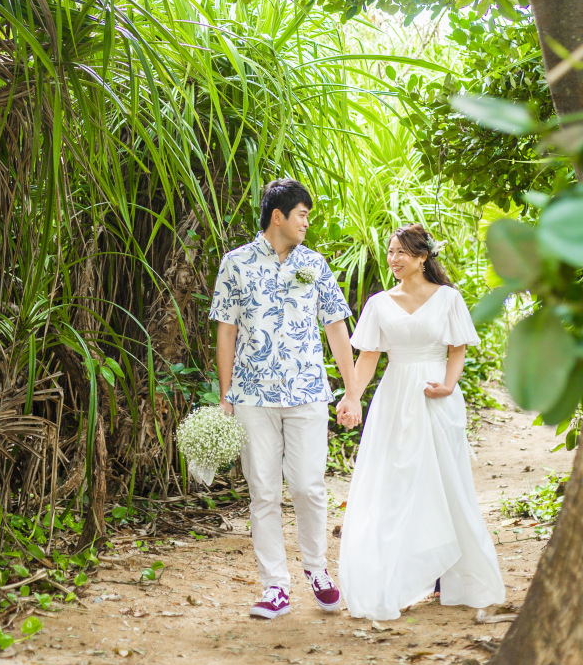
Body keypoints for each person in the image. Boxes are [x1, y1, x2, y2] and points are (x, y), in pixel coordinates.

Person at [209, 178, 362, 620]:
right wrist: (226, 395)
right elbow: (226, 329)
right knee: (263, 492)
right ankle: (275, 586)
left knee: (309, 486)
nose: (306, 224)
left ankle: (318, 571)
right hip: (252, 395)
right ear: (279, 216)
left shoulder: (315, 264)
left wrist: (351, 392)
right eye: (302, 215)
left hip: (307, 392)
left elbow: (336, 326)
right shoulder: (235, 263)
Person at [338, 223, 505, 621]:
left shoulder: (448, 298)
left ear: (422, 257)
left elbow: (457, 348)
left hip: (437, 398)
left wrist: (448, 386)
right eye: (390, 252)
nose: (393, 259)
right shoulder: (379, 304)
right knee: (395, 482)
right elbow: (369, 358)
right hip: (395, 397)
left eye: (401, 252)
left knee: (446, 482)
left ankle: (454, 577)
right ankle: (394, 576)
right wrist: (351, 397)